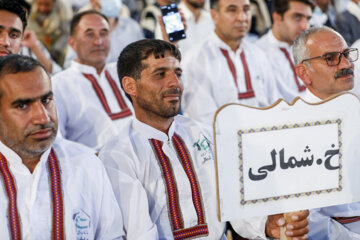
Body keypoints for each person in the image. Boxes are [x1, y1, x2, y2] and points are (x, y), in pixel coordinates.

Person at [99, 39, 309, 240]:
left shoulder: (205, 134)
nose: (175, 83)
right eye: (160, 74)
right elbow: (138, 232)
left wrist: (266, 225)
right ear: (130, 86)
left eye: (178, 73)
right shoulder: (119, 155)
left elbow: (235, 204)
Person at [0, 54, 124, 239]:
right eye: (23, 105)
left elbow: (111, 235)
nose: (43, 118)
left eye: (46, 100)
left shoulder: (85, 163)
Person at [293, 26, 360, 239]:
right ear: (304, 73)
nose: (346, 64)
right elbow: (303, 218)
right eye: (331, 58)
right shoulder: (292, 129)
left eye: (346, 55)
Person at [181, 0, 280, 126]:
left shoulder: (258, 55)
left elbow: (274, 106)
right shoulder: (196, 60)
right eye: (232, 10)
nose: (242, 18)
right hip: (220, 143)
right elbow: (203, 123)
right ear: (214, 15)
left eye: (246, 9)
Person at [52, 10, 133, 151]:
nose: (99, 41)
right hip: (96, 166)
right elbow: (57, 142)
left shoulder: (124, 71)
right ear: (72, 42)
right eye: (90, 34)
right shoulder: (58, 84)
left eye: (104, 33)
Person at [256, 0, 313, 102]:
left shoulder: (311, 47)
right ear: (277, 18)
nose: (305, 26)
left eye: (308, 19)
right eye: (297, 17)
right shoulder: (258, 53)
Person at [27, 0, 73, 65]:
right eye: (39, 4)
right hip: (35, 45)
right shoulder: (28, 4)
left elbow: (66, 33)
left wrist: (56, 49)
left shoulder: (62, 7)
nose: (42, 8)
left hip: (56, 46)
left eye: (47, 5)